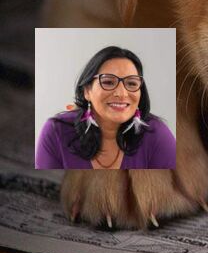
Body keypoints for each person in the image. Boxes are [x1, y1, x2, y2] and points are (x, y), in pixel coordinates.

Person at [35, 46, 176, 169]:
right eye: (108, 82)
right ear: (87, 91)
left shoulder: (156, 133)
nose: (121, 94)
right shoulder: (56, 131)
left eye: (132, 84)